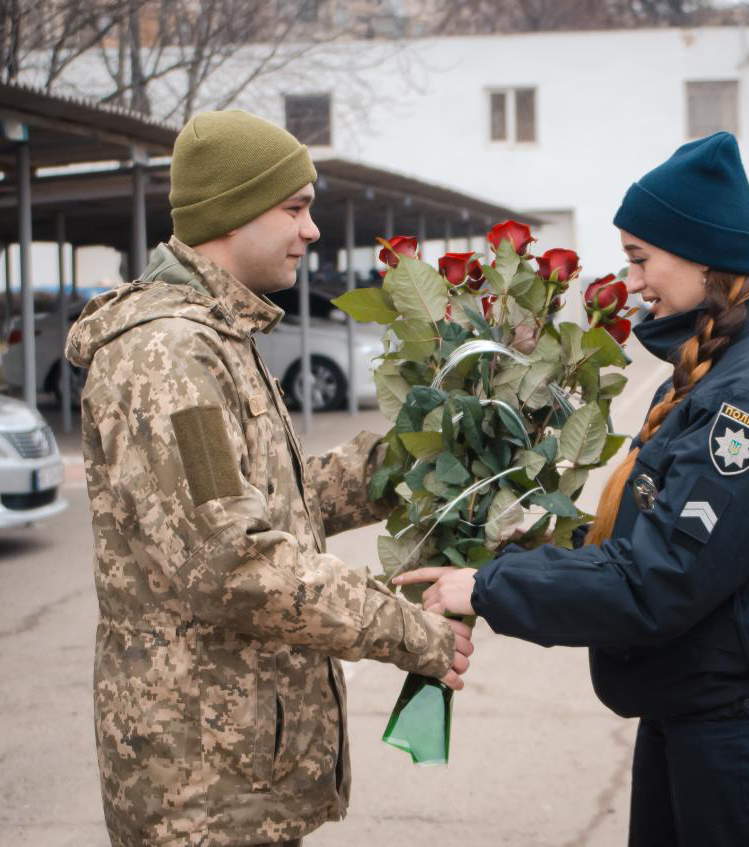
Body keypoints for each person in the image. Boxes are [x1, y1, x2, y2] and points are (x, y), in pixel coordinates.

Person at [396, 132, 749, 847]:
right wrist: (538, 535)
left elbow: (662, 575)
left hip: (738, 727)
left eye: (641, 257)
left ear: (701, 253)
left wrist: (490, 586)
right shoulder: (716, 364)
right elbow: (652, 530)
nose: (632, 280)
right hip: (696, 703)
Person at [64, 109, 474, 847]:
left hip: (235, 765)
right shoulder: (171, 359)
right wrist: (408, 629)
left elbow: (269, 497)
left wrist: (410, 463)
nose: (312, 229)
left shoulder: (213, 337)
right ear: (230, 214)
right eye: (294, 208)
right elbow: (235, 563)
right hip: (201, 788)